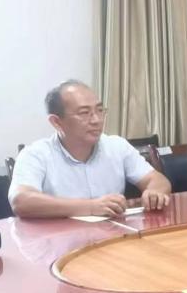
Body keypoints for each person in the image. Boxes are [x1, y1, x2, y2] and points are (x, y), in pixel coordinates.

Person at [9, 81, 171, 219]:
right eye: (84, 113)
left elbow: (156, 180)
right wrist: (90, 207)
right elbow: (21, 200)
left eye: (100, 110)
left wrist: (154, 192)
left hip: (113, 236)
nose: (96, 120)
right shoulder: (35, 154)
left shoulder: (117, 146)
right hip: (60, 240)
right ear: (56, 122)